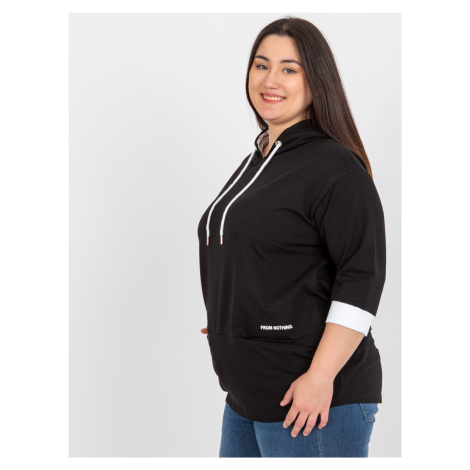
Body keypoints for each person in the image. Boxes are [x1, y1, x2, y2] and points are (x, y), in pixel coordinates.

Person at [197, 16, 387, 458]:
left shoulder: (335, 167)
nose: (270, 80)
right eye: (261, 65)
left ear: (316, 80)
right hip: (246, 394)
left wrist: (320, 378)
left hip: (311, 400)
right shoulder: (260, 158)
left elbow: (362, 278)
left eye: (289, 69)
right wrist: (232, 312)